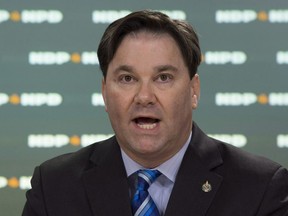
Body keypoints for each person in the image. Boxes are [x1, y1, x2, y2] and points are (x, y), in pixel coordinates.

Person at [22, 10, 288, 216]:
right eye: (127, 78)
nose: (145, 97)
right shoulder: (54, 187)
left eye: (163, 77)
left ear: (193, 90)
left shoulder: (261, 188)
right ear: (104, 92)